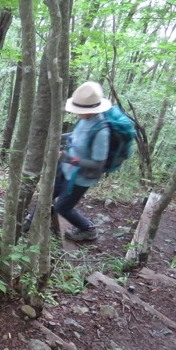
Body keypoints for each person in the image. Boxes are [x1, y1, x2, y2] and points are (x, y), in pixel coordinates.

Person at [24, 81, 111, 242]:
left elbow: (99, 164)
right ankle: (31, 220)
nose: (77, 113)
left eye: (80, 110)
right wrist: (56, 138)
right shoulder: (85, 119)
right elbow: (75, 136)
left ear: (91, 110)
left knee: (62, 207)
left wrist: (68, 158)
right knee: (47, 192)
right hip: (64, 168)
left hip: (80, 178)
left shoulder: (102, 132)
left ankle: (88, 229)